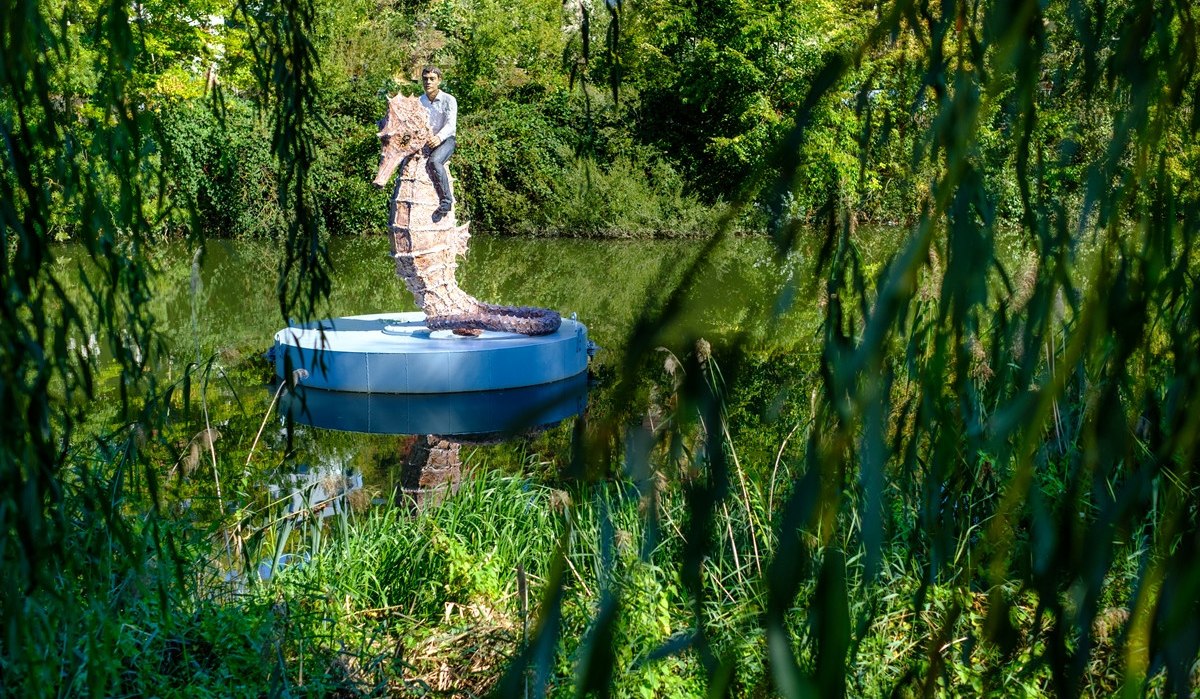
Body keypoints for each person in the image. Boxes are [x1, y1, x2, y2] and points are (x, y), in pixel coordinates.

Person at [419, 65, 457, 214]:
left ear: (439, 81)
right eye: (425, 79)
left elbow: (450, 125)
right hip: (426, 140)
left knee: (434, 161)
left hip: (446, 140)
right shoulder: (419, 101)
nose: (428, 82)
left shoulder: (449, 100)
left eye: (432, 79)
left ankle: (447, 201)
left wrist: (439, 137)